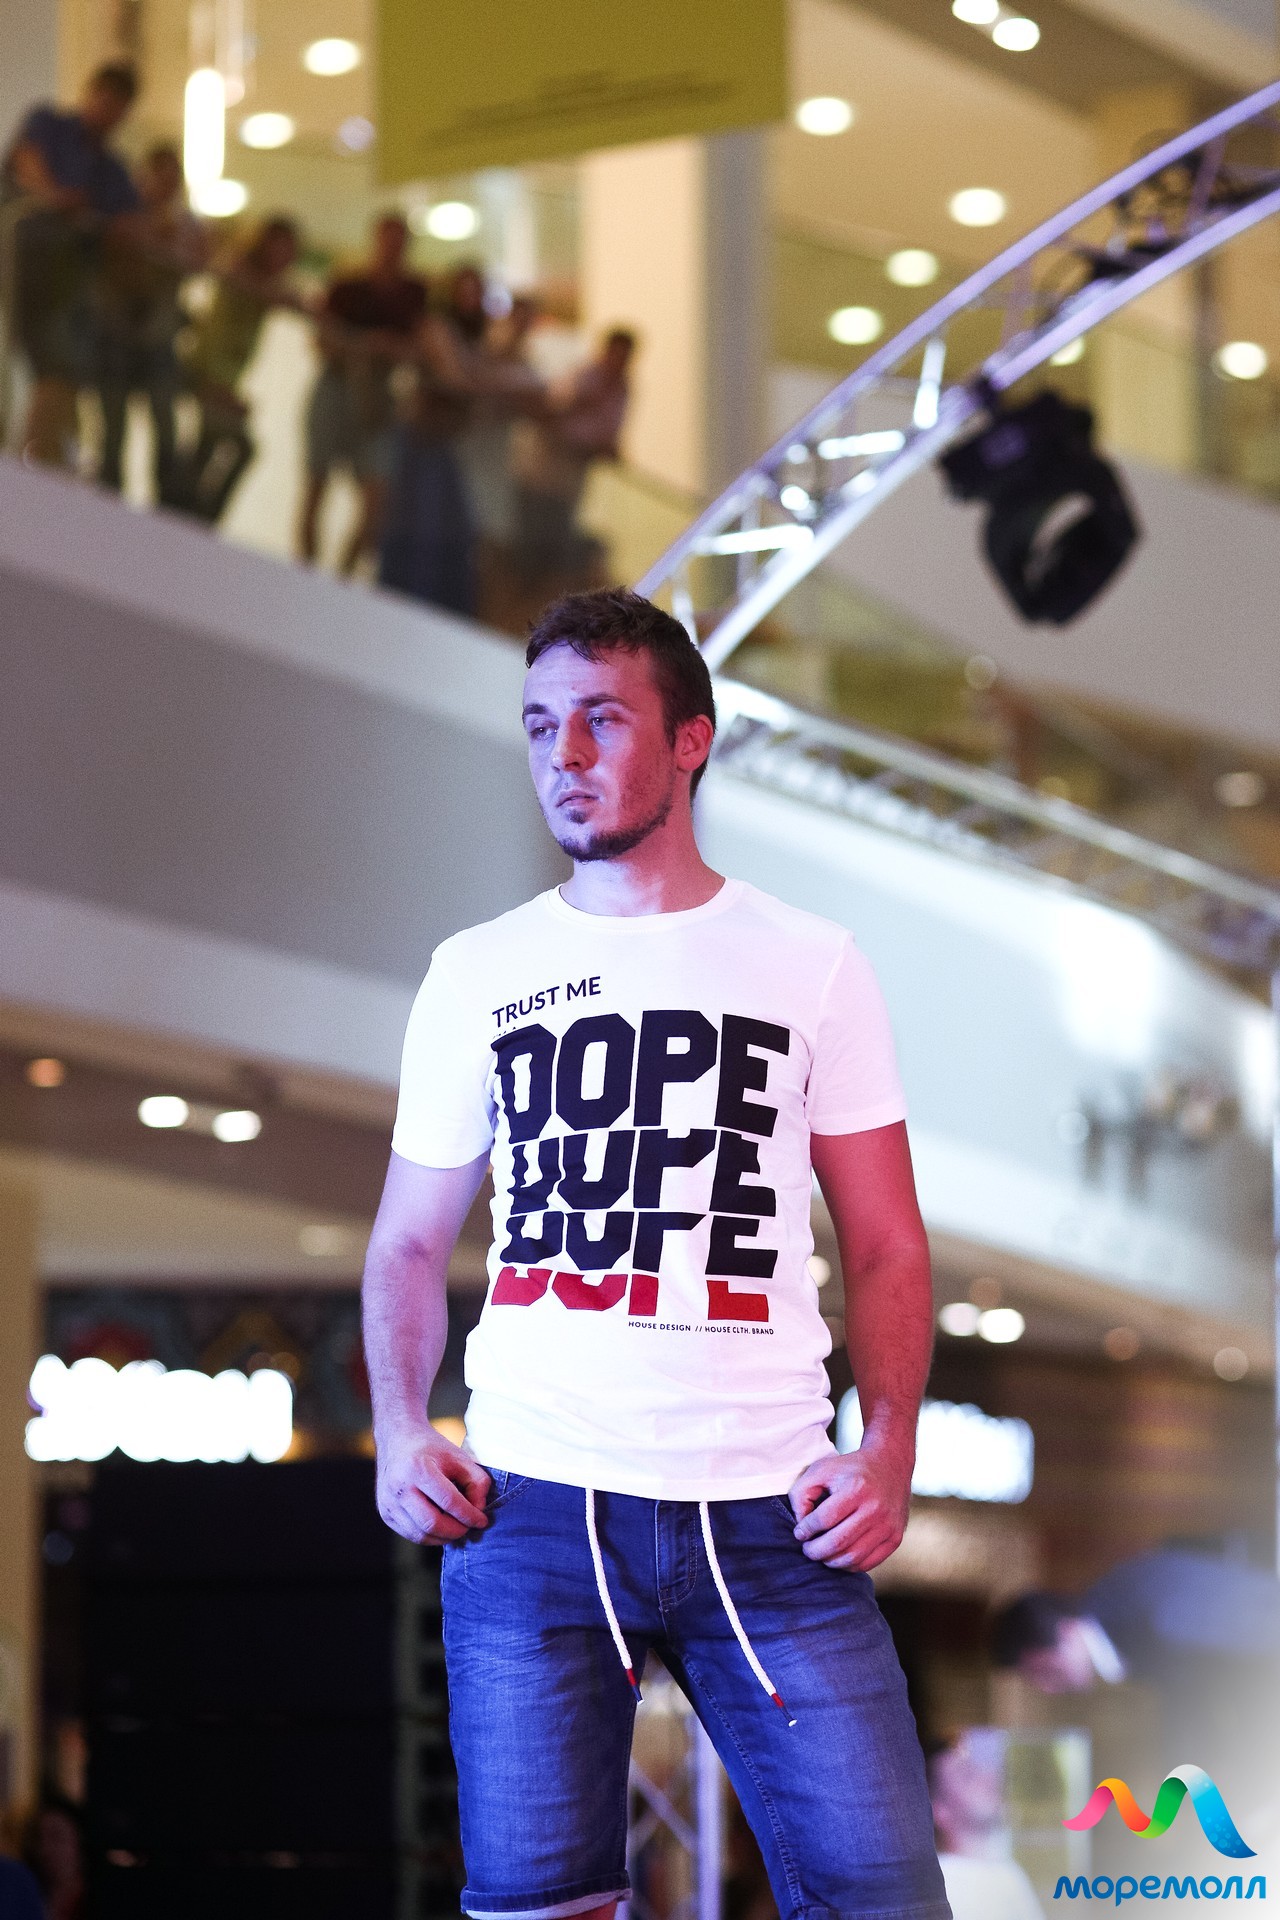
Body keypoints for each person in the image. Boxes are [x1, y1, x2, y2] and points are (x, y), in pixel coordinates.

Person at [363, 586, 951, 1920]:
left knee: (884, 1899)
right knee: (538, 1905)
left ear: (691, 741)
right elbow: (404, 1244)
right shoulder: (477, 970)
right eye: (539, 726)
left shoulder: (812, 964)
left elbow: (884, 1242)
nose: (562, 756)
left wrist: (889, 1446)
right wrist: (399, 1431)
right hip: (533, 1509)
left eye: (601, 720)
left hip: (775, 1511)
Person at [994, 1549, 1280, 1850]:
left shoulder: (1158, 1615)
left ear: (1064, 1630)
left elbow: (1261, 1656)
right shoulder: (1123, 1614)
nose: (1048, 1689)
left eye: (1043, 1671)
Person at [2, 62, 140, 467]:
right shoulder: (49, 125)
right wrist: (56, 198)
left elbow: (130, 222)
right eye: (105, 99)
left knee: (60, 369)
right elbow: (27, 162)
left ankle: (38, 462)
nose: (108, 112)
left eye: (118, 106)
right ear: (90, 93)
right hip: (14, 259)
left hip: (62, 280)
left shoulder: (112, 169)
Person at [297, 212, 428, 574]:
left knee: (375, 501)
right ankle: (307, 574)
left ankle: (342, 576)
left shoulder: (414, 293)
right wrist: (365, 346)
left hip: (377, 396)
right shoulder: (348, 286)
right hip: (338, 386)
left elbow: (419, 346)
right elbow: (323, 340)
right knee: (316, 485)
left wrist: (384, 349)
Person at [94, 141, 208, 501]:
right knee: (113, 427)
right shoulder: (122, 213)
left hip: (158, 337)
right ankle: (107, 501)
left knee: (165, 424)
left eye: (172, 180)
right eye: (160, 178)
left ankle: (166, 503)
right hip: (116, 333)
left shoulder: (185, 224)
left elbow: (199, 261)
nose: (166, 187)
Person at [172, 213, 303, 524]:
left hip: (222, 380)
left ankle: (190, 514)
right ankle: (194, 515)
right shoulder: (240, 270)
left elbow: (291, 299)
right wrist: (217, 387)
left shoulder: (266, 286)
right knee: (235, 446)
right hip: (205, 374)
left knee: (212, 445)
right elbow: (217, 337)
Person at [376, 263, 487, 615]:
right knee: (419, 534)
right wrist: (503, 386)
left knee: (451, 533)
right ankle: (408, 609)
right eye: (463, 289)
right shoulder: (437, 327)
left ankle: (436, 611)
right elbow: (455, 377)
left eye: (476, 290)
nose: (470, 297)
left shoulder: (471, 335)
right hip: (420, 441)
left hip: (443, 444)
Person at [509, 326, 635, 586]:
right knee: (533, 545)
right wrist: (581, 404)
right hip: (545, 473)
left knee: (557, 544)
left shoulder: (622, 389)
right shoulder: (581, 376)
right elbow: (548, 413)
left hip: (573, 480)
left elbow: (608, 435)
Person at [929, 1733, 1044, 1920]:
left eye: (980, 1770)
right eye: (967, 1776)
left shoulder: (1010, 1873)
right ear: (939, 1810)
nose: (987, 1778)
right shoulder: (937, 1884)